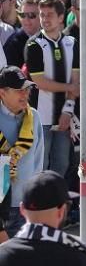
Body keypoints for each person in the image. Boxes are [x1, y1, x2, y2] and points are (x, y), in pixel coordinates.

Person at [25, 0, 79, 180]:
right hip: (41, 118)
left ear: (61, 17)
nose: (45, 19)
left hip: (63, 116)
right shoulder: (34, 44)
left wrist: (68, 110)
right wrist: (69, 87)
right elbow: (40, 82)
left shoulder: (72, 43)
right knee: (40, 164)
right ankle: (38, 204)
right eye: (42, 15)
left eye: (50, 15)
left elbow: (76, 80)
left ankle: (56, 204)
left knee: (62, 164)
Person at [0, 66, 45, 240]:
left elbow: (38, 162)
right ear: (2, 93)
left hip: (25, 206)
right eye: (19, 90)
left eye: (27, 89)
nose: (25, 94)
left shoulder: (33, 117)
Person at [5, 0, 40, 68]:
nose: (26, 20)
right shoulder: (13, 43)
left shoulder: (49, 37)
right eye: (23, 15)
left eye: (31, 15)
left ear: (42, 16)